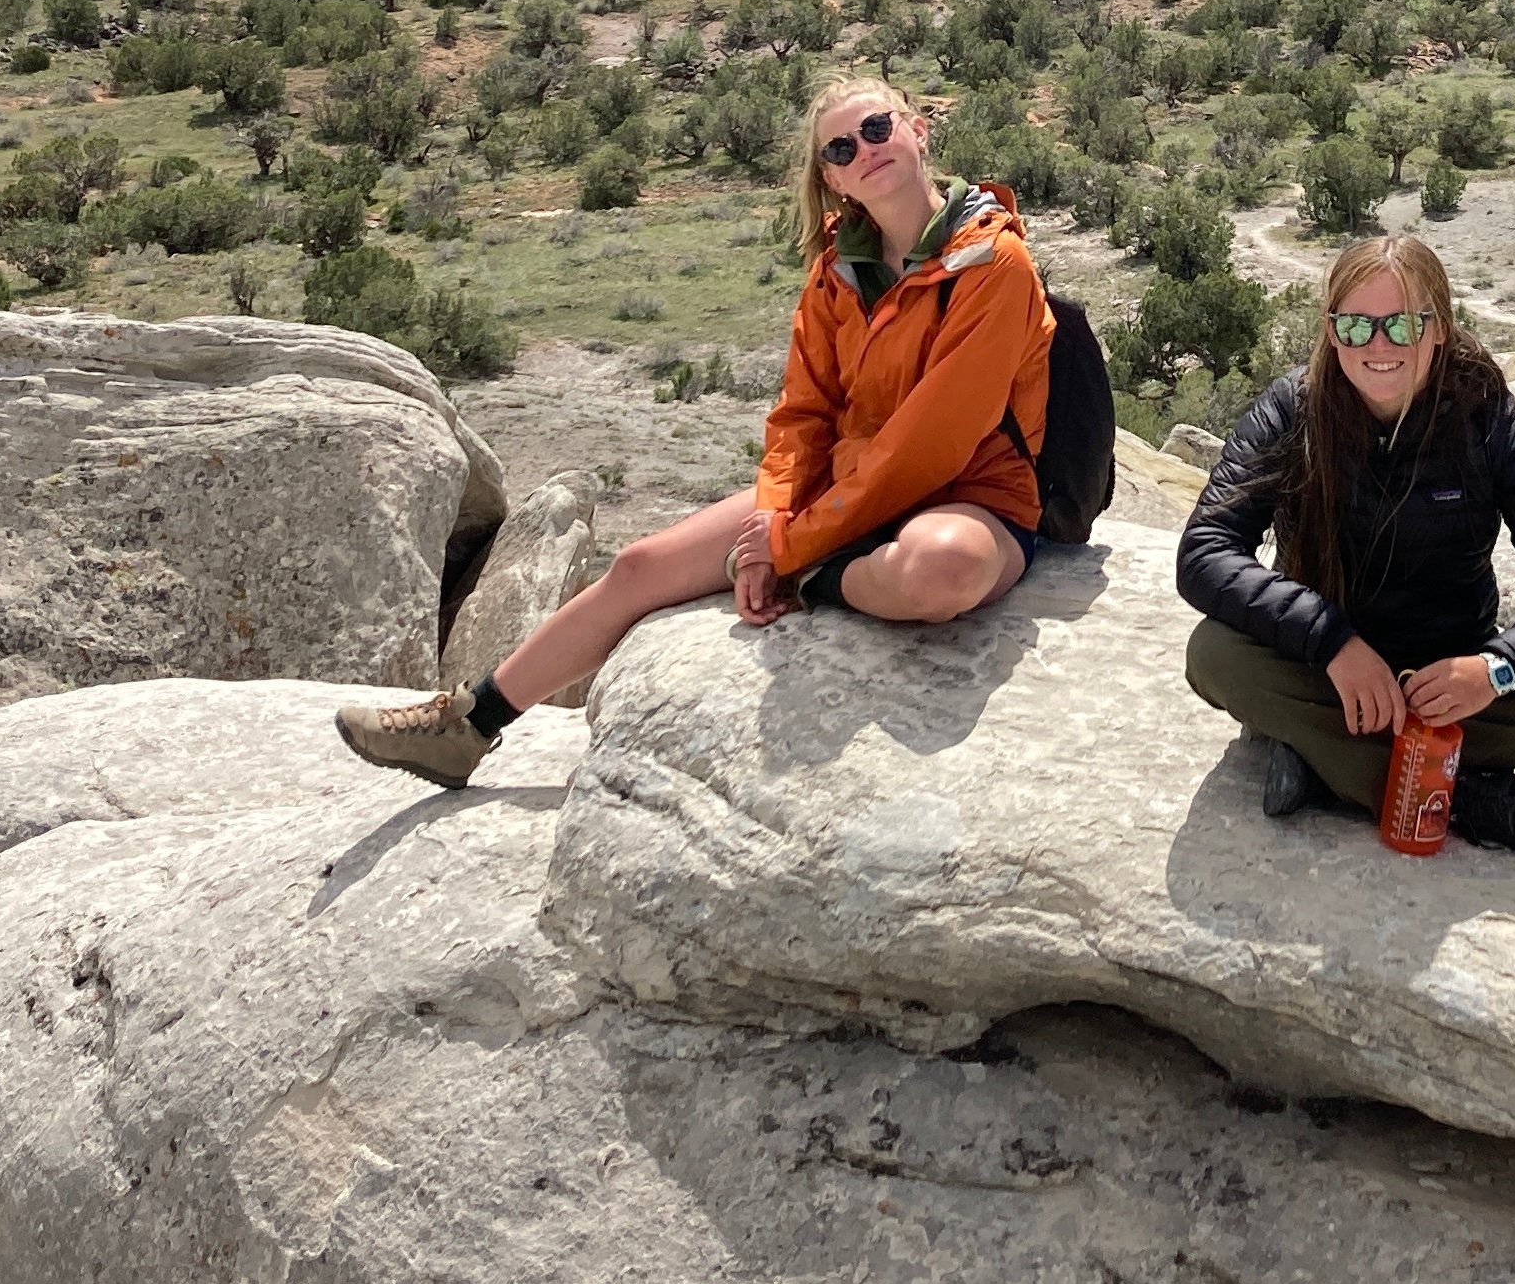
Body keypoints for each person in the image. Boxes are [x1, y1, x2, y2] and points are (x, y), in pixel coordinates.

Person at [337, 78, 1049, 787]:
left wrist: (790, 548)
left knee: (941, 569)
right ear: (831, 178)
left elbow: (933, 445)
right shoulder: (838, 274)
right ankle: (466, 724)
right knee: (640, 568)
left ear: (917, 130)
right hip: (851, 487)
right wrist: (774, 515)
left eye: (876, 128)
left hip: (971, 492)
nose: (866, 150)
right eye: (841, 146)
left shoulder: (992, 263)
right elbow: (804, 414)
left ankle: (816, 579)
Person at [1176, 232, 1515, 859]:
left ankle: (1324, 762)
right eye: (1357, 327)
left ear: (1437, 328)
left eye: (1402, 326)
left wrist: (1494, 670)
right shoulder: (1292, 411)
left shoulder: (1483, 414)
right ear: (1333, 333)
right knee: (1215, 655)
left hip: (1447, 686)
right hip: (1328, 677)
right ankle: (1466, 798)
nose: (1379, 346)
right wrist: (1329, 639)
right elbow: (1204, 554)